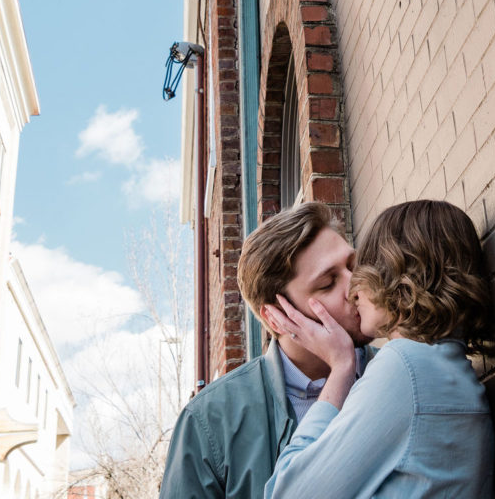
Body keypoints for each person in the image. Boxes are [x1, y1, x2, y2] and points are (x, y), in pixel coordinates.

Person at [264, 199, 495, 499]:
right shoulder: (446, 368)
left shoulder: (404, 367)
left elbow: (287, 494)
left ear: (407, 278)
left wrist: (341, 367)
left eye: (362, 268)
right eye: (328, 282)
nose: (354, 289)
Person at [158, 202, 376, 499]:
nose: (356, 287)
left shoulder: (400, 374)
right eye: (328, 283)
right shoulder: (209, 421)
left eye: (352, 265)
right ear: (278, 317)